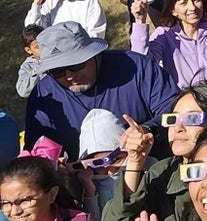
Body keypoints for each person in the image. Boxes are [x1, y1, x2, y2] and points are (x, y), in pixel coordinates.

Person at [102, 83, 207, 221]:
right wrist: (135, 162)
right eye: (172, 119)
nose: (178, 127)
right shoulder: (162, 173)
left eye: (192, 118)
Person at [25, 21, 179, 160]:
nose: (69, 76)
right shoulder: (44, 94)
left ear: (95, 55)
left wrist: (148, 128)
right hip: (82, 182)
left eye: (76, 66)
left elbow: (175, 109)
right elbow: (36, 150)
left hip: (152, 168)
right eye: (58, 71)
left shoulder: (136, 67)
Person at [130, 0, 207, 89]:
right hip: (182, 100)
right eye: (184, 3)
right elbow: (143, 64)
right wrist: (140, 21)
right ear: (173, 10)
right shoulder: (165, 35)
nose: (192, 7)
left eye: (196, 0)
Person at [16, 24, 44, 99]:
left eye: (44, 44)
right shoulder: (28, 66)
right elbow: (23, 91)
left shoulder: (57, 57)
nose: (43, 49)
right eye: (37, 47)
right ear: (29, 50)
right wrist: (41, 68)